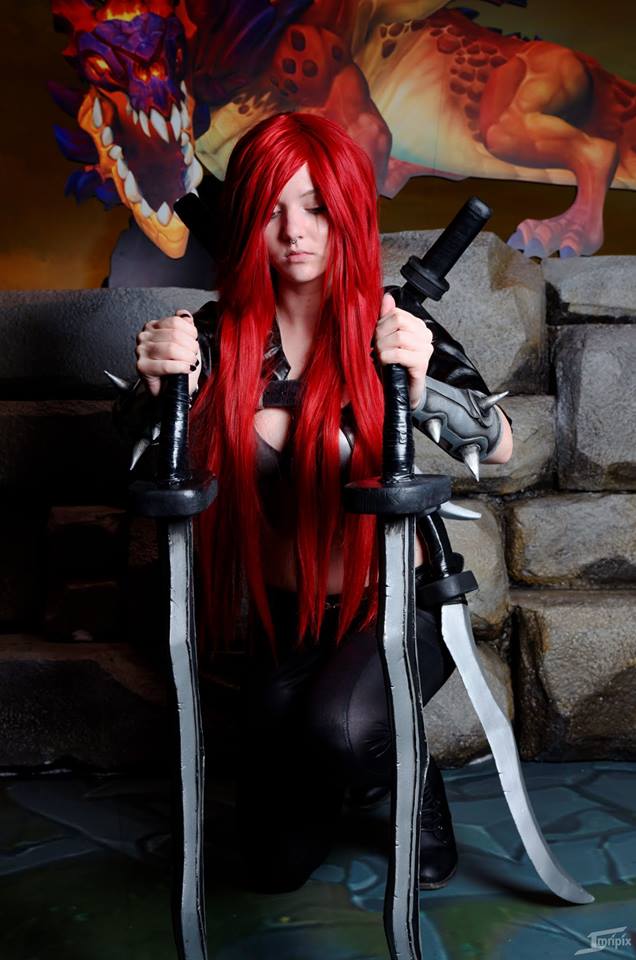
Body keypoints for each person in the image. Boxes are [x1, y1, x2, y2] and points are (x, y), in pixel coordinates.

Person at [122, 111, 513, 894]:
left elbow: (500, 445)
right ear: (245, 221)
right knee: (272, 867)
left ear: (350, 217)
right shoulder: (213, 338)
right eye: (271, 209)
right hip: (284, 623)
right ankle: (343, 761)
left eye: (317, 208)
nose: (295, 231)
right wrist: (160, 386)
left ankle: (403, 772)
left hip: (395, 607)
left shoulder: (394, 323)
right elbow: (134, 449)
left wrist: (417, 382)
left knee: (344, 729)